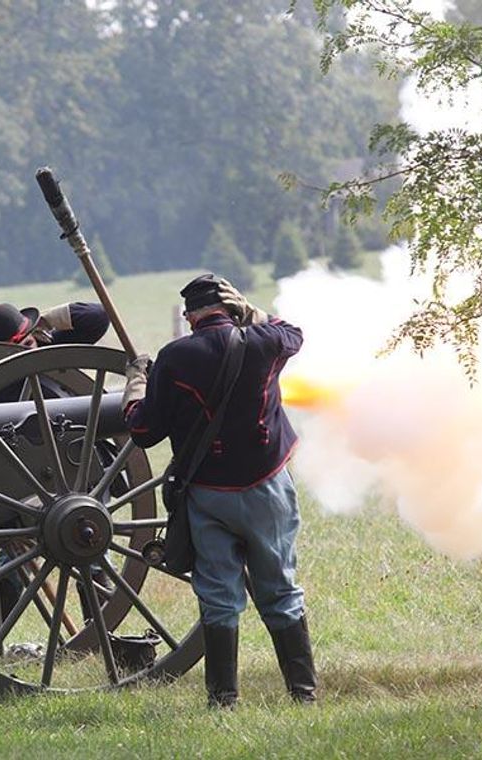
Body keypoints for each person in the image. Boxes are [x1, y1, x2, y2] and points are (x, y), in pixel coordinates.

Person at [121, 273, 317, 708]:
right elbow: (294, 334)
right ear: (229, 307)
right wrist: (251, 312)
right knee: (280, 590)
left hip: (207, 494)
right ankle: (302, 694)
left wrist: (137, 382)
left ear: (189, 316)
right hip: (267, 486)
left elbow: (143, 429)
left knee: (218, 596)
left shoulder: (175, 356)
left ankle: (223, 699)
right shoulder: (264, 341)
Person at [0, 301, 112, 654]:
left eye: (28, 338)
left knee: (90, 549)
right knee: (14, 564)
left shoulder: (50, 348)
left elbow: (96, 317)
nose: (28, 347)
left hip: (82, 466)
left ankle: (97, 636)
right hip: (30, 483)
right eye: (18, 343)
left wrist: (46, 322)